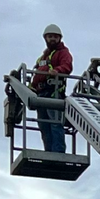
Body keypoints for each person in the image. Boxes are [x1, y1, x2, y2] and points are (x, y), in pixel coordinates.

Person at [30, 24, 73, 152]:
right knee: (44, 125)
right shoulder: (43, 57)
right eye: (50, 37)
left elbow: (67, 66)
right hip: (41, 94)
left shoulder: (63, 53)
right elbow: (37, 74)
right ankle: (49, 152)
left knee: (55, 124)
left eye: (55, 37)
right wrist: (32, 87)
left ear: (59, 38)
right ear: (45, 38)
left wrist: (57, 71)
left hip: (54, 93)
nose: (52, 39)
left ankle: (58, 152)